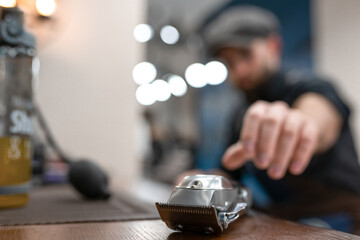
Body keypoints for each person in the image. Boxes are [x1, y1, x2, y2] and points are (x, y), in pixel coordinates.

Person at [178, 6, 360, 234]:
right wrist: (202, 182)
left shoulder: (311, 87)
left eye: (245, 55)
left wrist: (302, 124)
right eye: (229, 63)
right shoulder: (240, 115)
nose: (240, 71)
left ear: (273, 46)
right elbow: (230, 172)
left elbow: (319, 117)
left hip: (342, 221)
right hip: (286, 220)